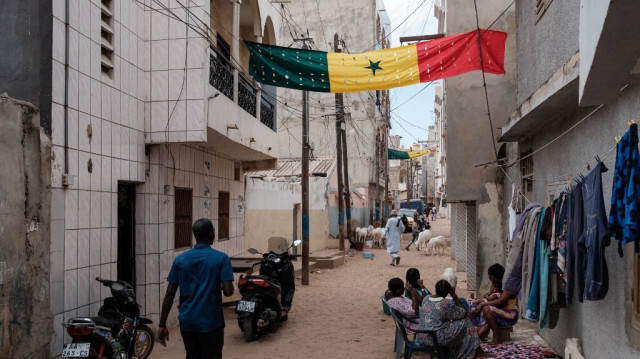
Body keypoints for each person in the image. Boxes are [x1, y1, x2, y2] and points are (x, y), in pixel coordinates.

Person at [158, 218, 234, 359]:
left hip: (188, 322)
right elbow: (229, 291)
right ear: (211, 234)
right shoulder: (221, 259)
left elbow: (169, 293)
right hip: (211, 323)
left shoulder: (180, 259)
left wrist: (162, 324)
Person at [418, 280, 484, 359]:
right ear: (447, 292)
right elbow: (463, 313)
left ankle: (471, 349)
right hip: (435, 338)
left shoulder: (426, 298)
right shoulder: (445, 303)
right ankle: (473, 351)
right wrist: (454, 296)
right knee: (466, 321)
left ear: (436, 289)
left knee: (453, 323)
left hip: (423, 336)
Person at [472, 263, 519, 345]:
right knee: (475, 307)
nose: (489, 277)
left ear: (493, 276)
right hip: (502, 312)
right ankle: (481, 330)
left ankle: (496, 338)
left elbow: (501, 302)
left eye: (489, 275)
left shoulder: (508, 284)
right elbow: (492, 296)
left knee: (487, 308)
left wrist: (482, 304)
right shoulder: (497, 284)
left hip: (511, 315)